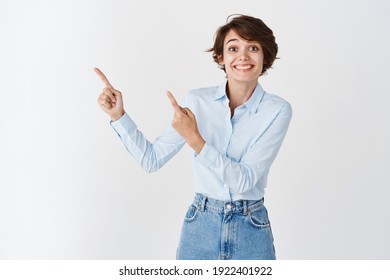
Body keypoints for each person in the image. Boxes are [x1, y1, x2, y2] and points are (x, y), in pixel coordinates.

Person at [95, 14, 292, 260]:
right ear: (221, 57)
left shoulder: (277, 110)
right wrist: (119, 116)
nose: (243, 56)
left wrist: (196, 140)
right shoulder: (197, 101)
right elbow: (151, 160)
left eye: (253, 48)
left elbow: (244, 180)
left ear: (266, 57)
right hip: (200, 226)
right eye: (233, 48)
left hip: (251, 227)